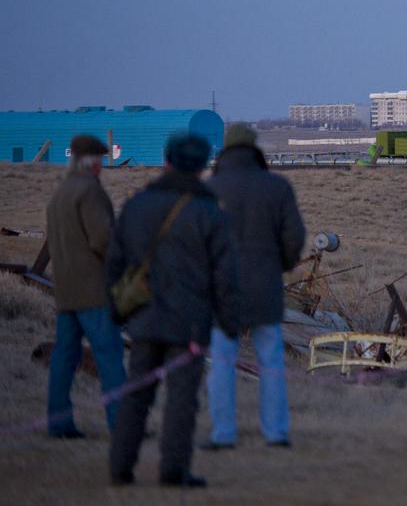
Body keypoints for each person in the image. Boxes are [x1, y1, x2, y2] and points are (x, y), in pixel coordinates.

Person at [106, 133, 239, 488]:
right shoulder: (210, 212)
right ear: (201, 167)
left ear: (166, 162)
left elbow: (114, 263)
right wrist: (229, 321)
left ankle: (120, 467)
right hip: (190, 324)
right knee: (182, 400)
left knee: (136, 394)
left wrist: (116, 311)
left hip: (144, 318)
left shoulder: (136, 206)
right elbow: (225, 276)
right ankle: (173, 471)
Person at [202, 124, 304, 451]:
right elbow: (294, 237)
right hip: (265, 284)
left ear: (226, 150)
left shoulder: (210, 189)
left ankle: (223, 434)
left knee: (221, 361)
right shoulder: (277, 187)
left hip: (222, 289)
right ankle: (276, 433)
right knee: (271, 360)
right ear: (254, 148)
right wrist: (281, 265)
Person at [45, 134, 127, 439]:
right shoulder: (90, 191)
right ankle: (121, 423)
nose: (102, 166)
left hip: (66, 291)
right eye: (101, 160)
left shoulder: (60, 194)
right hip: (93, 291)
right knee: (109, 356)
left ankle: (59, 423)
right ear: (92, 161)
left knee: (64, 359)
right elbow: (103, 239)